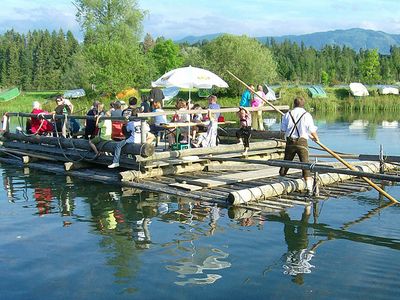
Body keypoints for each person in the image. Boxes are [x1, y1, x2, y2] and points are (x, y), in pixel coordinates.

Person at [279, 96, 319, 195]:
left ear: (294, 104)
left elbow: (283, 130)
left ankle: (280, 183)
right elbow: (311, 129)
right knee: (305, 164)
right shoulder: (307, 115)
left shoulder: (287, 114)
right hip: (302, 142)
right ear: (303, 105)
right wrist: (316, 138)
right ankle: (309, 189)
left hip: (290, 142)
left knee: (286, 162)